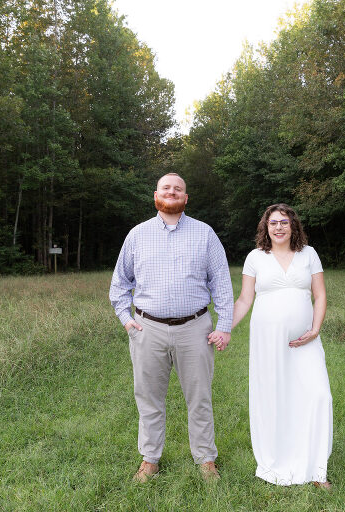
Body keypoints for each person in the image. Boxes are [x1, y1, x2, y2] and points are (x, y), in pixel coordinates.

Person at [109, 173, 234, 483]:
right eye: (166, 187)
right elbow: (120, 284)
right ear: (156, 194)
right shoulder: (137, 235)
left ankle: (205, 458)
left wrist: (225, 325)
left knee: (199, 397)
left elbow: (221, 283)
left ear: (186, 198)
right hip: (147, 329)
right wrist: (127, 321)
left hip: (195, 328)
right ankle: (150, 458)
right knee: (149, 397)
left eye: (178, 188)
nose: (172, 191)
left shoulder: (204, 234)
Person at [225, 203, 333, 488]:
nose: (279, 227)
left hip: (305, 341)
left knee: (318, 394)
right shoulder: (255, 258)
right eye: (273, 223)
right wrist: (224, 328)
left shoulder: (308, 255)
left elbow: (319, 296)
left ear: (293, 225)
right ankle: (278, 460)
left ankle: (316, 469)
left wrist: (315, 329)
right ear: (266, 227)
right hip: (267, 340)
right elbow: (245, 300)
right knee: (275, 397)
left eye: (284, 222)